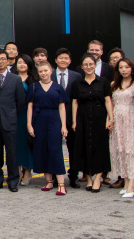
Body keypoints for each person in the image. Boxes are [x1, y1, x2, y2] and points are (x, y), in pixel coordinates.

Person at [70, 53, 113, 192]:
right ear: (81, 67)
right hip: (82, 117)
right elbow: (75, 103)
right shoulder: (77, 83)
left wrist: (110, 118)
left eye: (91, 64)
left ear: (95, 65)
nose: (88, 67)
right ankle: (88, 179)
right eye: (85, 65)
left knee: (99, 147)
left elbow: (108, 100)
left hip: (99, 117)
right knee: (84, 147)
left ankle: (98, 177)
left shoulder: (103, 82)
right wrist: (74, 121)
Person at [0, 50, 26, 192]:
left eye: (3, 59)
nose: (0, 61)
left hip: (10, 120)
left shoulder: (15, 79)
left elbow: (20, 101)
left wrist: (10, 113)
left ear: (8, 61)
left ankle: (13, 181)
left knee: (12, 152)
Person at [26, 61, 68, 196]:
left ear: (51, 71)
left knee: (55, 150)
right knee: (42, 149)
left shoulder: (57, 87)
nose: (43, 73)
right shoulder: (34, 87)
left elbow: (62, 107)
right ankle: (49, 181)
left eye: (45, 71)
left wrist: (64, 125)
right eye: (41, 71)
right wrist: (29, 124)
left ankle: (61, 184)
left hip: (54, 119)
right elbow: (30, 106)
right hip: (39, 120)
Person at [110, 58, 134, 198]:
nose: (124, 70)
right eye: (121, 67)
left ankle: (133, 184)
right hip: (118, 121)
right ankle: (126, 182)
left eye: (126, 67)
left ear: (132, 68)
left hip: (131, 120)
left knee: (131, 150)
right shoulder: (114, 84)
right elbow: (111, 103)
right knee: (120, 150)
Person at [52, 48, 83, 188]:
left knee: (73, 149)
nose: (63, 60)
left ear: (70, 61)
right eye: (60, 58)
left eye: (66, 58)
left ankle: (73, 176)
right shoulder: (49, 74)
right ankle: (53, 175)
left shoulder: (77, 76)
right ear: (56, 60)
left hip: (72, 117)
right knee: (53, 147)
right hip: (52, 117)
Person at [14, 54, 36, 185]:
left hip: (28, 115)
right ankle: (17, 171)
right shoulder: (12, 78)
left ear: (29, 65)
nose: (21, 65)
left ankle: (27, 171)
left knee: (27, 144)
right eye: (19, 62)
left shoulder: (34, 80)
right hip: (14, 115)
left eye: (24, 63)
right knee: (15, 144)